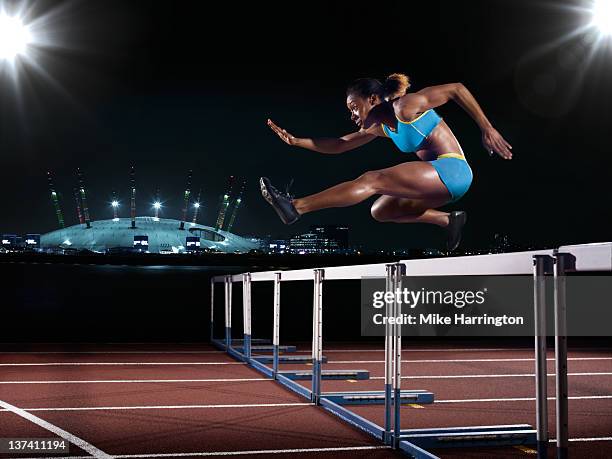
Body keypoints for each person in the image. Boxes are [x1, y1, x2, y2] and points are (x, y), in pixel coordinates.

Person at [260, 73, 512, 251]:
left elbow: (456, 88)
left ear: (371, 99)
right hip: (437, 185)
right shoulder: (381, 128)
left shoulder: (405, 106)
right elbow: (340, 144)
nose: (352, 116)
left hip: (453, 170)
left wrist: (487, 128)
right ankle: (448, 220)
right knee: (380, 211)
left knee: (373, 180)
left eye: (353, 107)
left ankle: (296, 207)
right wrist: (296, 141)